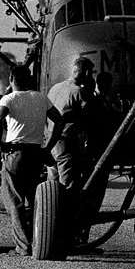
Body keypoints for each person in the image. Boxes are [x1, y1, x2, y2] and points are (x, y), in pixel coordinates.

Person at [0, 69, 64, 256]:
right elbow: (59, 121)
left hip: (15, 153)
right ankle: (38, 239)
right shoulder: (41, 98)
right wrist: (47, 148)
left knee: (14, 200)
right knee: (32, 200)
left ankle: (23, 246)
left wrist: (0, 144)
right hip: (36, 153)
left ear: (11, 79)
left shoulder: (9, 99)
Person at [46, 57, 96, 189]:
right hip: (66, 140)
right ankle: (67, 208)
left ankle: (52, 206)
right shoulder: (79, 91)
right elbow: (89, 116)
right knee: (68, 182)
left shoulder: (55, 88)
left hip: (50, 139)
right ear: (86, 73)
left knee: (52, 181)